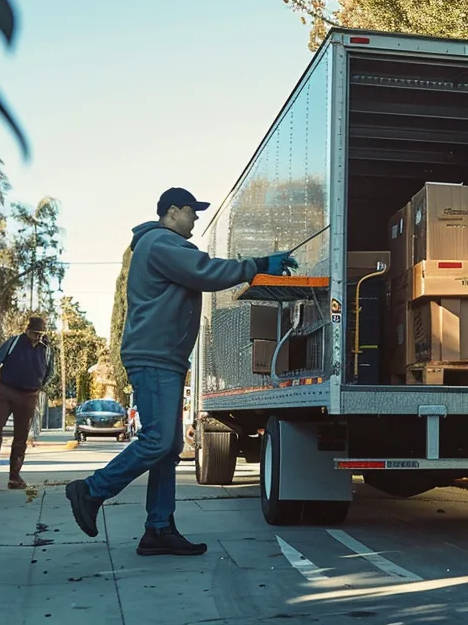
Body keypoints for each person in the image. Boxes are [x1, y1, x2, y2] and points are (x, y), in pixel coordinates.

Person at [64, 187, 297, 556]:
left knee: (168, 448)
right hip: (155, 356)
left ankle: (158, 528)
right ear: (172, 211)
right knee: (158, 441)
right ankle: (92, 490)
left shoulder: (157, 245)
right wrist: (256, 264)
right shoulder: (160, 243)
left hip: (163, 357)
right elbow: (204, 270)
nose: (195, 219)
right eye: (192, 211)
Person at [0, 316, 55, 490]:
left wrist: (39, 387)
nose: (38, 337)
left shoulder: (47, 350)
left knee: (21, 436)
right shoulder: (14, 342)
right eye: (35, 333)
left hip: (29, 395)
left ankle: (15, 478)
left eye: (41, 334)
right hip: (4, 392)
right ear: (27, 330)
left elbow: (50, 372)